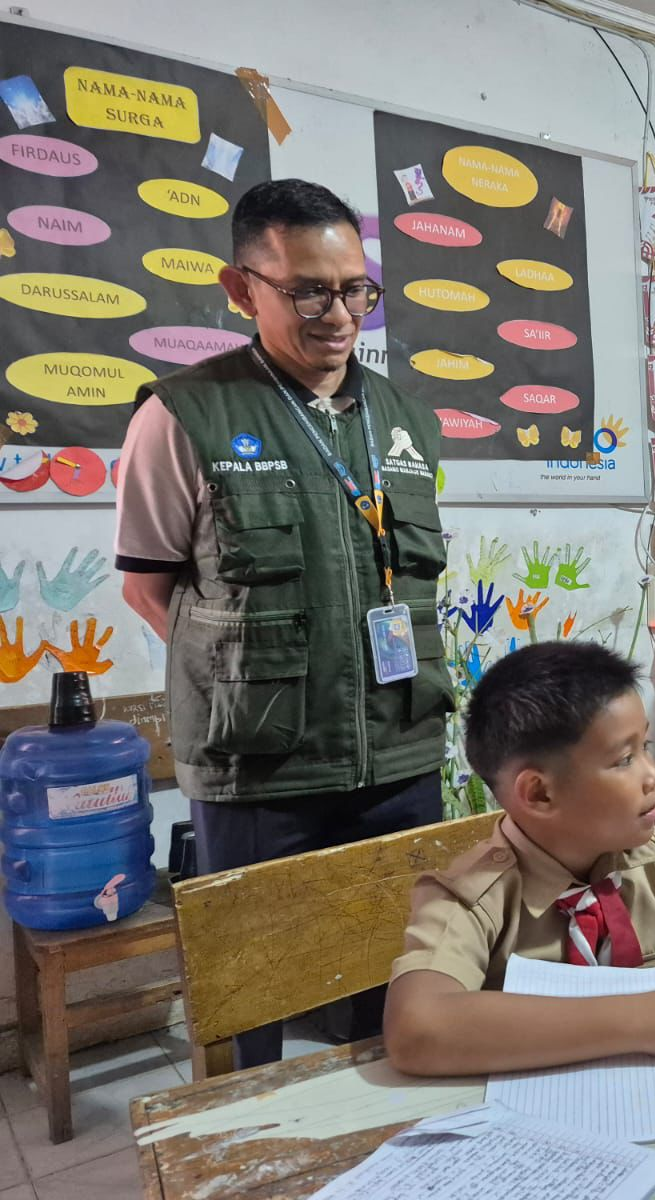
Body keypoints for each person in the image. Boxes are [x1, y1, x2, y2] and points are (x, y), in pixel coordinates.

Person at [114, 179, 453, 1067]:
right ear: (242, 289)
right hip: (257, 765)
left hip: (399, 748)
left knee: (403, 981)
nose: (338, 314)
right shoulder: (184, 414)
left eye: (354, 290)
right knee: (251, 995)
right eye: (308, 289)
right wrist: (242, 677)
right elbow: (149, 589)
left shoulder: (404, 416)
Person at [384, 642, 655, 1077]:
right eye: (624, 759)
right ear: (539, 793)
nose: (653, 774)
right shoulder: (470, 899)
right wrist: (643, 1019)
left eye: (645, 745)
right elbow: (417, 1030)